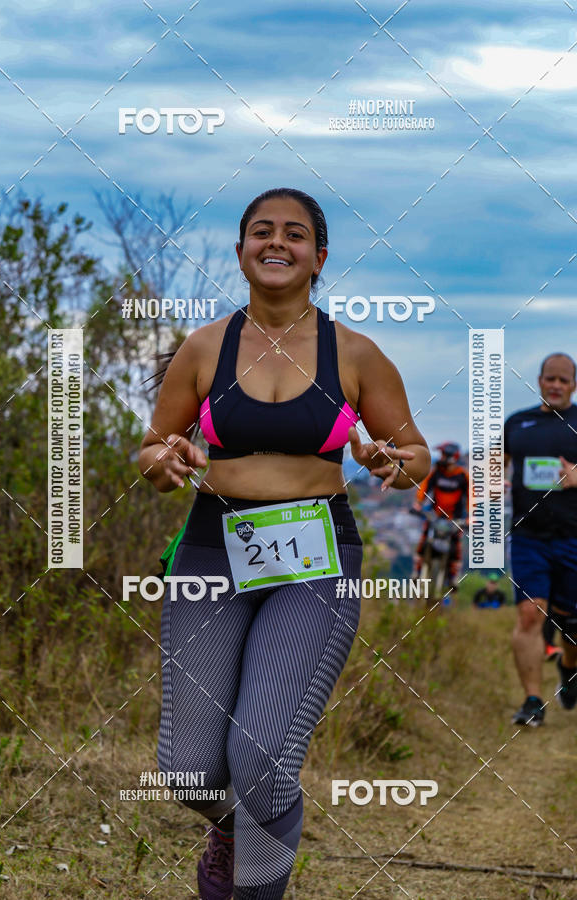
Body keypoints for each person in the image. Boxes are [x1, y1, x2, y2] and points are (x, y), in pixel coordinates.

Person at [138, 187, 431, 900]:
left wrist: (394, 462)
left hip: (317, 559)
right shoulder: (206, 347)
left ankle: (253, 888)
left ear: (319, 257)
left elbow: (416, 452)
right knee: (187, 770)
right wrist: (167, 462)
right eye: (261, 231)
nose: (277, 242)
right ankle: (237, 832)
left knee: (262, 757)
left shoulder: (356, 353)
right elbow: (152, 448)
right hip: (213, 551)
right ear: (240, 252)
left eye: (294, 234)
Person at [505, 352, 577, 727]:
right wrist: (493, 479)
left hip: (573, 537)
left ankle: (569, 669)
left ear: (573, 385)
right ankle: (533, 701)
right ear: (539, 379)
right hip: (529, 536)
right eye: (550, 378)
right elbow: (495, 463)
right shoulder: (518, 422)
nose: (555, 385)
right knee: (531, 613)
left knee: (572, 624)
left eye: (563, 380)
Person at [411, 442, 469, 591]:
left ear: (452, 457)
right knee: (424, 540)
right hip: (435, 516)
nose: (441, 457)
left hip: (455, 519)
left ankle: (453, 576)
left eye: (443, 454)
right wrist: (418, 503)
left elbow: (471, 497)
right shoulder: (436, 473)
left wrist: (471, 516)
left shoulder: (463, 476)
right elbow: (424, 489)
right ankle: (417, 572)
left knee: (456, 546)